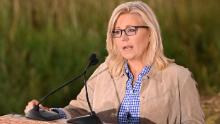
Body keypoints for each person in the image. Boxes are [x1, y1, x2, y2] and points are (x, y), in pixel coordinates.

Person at [25, 1, 205, 123]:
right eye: (117, 32)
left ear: (150, 33)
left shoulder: (179, 77)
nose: (123, 38)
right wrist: (49, 113)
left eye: (131, 30)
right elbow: (79, 109)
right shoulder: (104, 72)